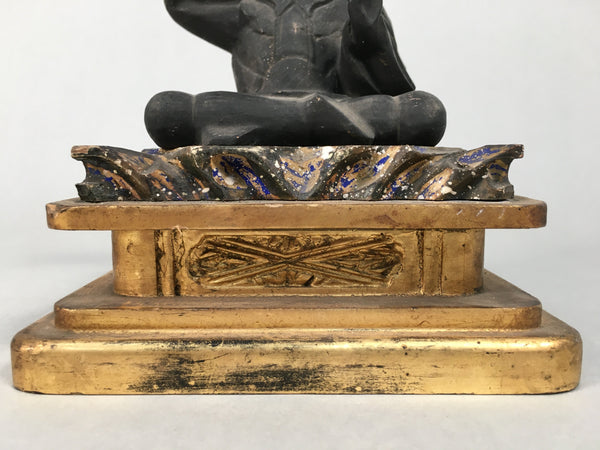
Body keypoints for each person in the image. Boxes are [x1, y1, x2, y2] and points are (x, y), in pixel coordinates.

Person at [145, 0, 446, 149]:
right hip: (265, 107)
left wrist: (365, 18)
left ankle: (283, 125)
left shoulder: (343, 6)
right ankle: (313, 122)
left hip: (338, 105)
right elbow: (182, 4)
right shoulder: (247, 9)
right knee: (165, 111)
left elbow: (378, 69)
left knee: (424, 112)